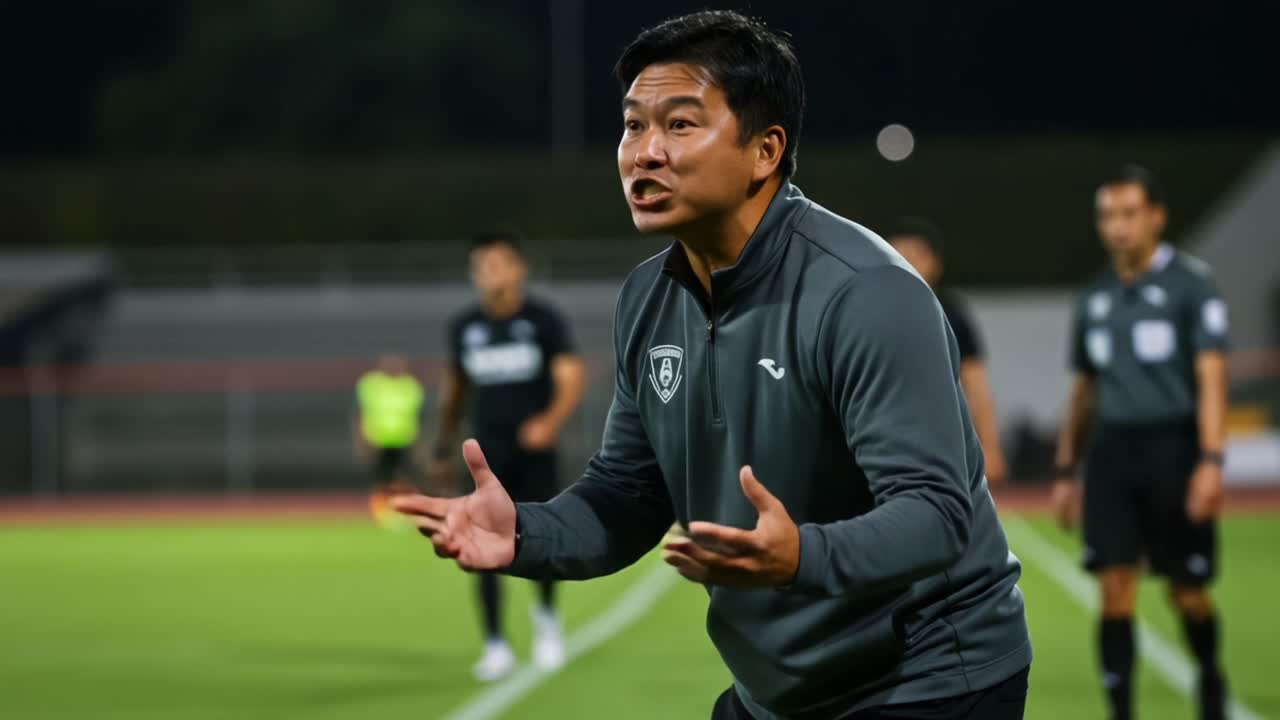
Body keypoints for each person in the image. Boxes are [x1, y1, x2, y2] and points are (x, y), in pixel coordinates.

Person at [398, 11, 1031, 718]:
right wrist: (525, 531)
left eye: (679, 125)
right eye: (634, 125)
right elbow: (629, 496)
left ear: (766, 151)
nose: (644, 153)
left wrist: (802, 557)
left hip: (928, 680)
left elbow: (937, 513)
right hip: (779, 690)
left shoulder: (866, 292)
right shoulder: (647, 298)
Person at [1052, 165, 1231, 720]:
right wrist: (1065, 470)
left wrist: (1210, 460)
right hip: (1113, 455)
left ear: (1156, 216)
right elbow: (1083, 391)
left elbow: (1211, 379)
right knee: (1114, 589)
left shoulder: (1192, 287)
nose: (1119, 227)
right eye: (1108, 216)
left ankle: (1208, 675)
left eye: (1130, 214)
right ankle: (1123, 712)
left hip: (1175, 452)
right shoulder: (1096, 298)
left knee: (1187, 593)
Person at [430, 229, 586, 682]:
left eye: (499, 263)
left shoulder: (543, 320)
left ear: (519, 268)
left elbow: (571, 375)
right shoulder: (465, 327)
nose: (489, 273)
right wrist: (442, 445)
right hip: (486, 455)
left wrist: (550, 422)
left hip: (534, 452)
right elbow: (455, 388)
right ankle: (495, 642)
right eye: (481, 265)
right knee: (479, 548)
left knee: (538, 540)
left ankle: (546, 620)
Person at [887, 217, 1010, 487]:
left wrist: (990, 446)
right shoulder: (865, 314)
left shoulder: (953, 316)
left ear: (935, 263)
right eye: (896, 254)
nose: (906, 263)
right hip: (883, 441)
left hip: (943, 445)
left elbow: (975, 383)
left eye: (915, 256)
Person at [352, 353, 425, 530]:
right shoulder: (371, 384)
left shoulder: (411, 385)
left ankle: (408, 512)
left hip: (403, 439)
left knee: (405, 478)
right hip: (379, 440)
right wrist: (363, 439)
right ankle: (381, 513)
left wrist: (418, 441)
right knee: (382, 479)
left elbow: (415, 416)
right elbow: (362, 414)